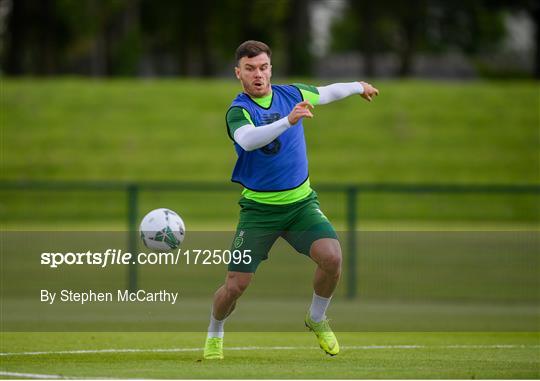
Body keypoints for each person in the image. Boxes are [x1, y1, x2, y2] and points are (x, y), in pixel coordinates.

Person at [203, 40, 379, 360]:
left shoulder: (292, 95)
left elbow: (327, 92)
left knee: (333, 258)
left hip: (300, 206)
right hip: (259, 211)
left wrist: (358, 86)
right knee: (235, 286)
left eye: (264, 67)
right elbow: (248, 140)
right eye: (250, 68)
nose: (258, 74)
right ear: (238, 73)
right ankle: (215, 332)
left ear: (271, 68)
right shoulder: (239, 110)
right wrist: (287, 121)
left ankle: (316, 318)